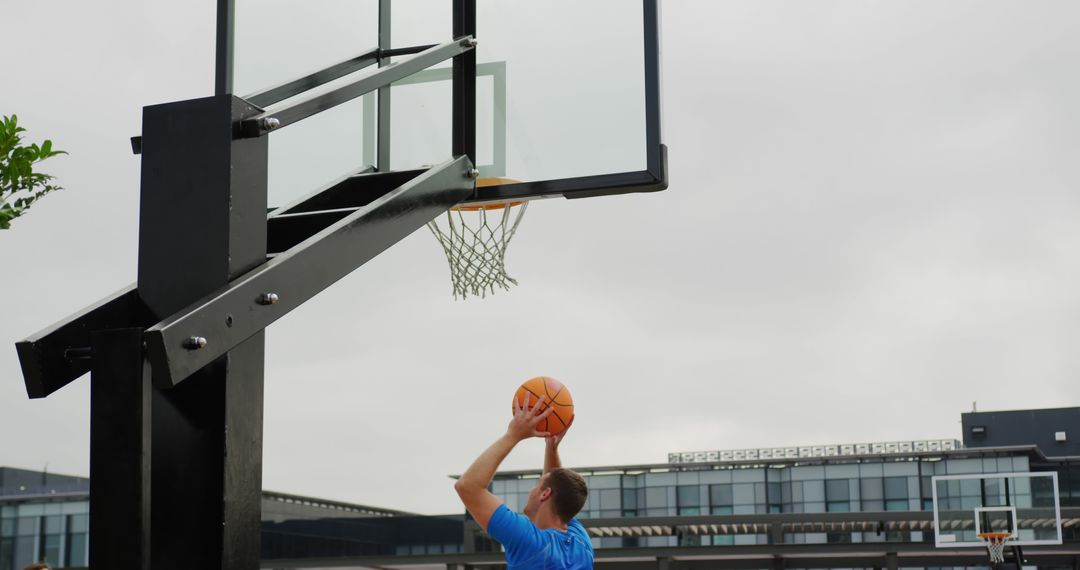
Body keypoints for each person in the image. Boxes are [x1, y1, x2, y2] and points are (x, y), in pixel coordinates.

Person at [455, 393, 593, 569]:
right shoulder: (581, 543)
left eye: (537, 484)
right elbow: (557, 484)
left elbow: (467, 486)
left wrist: (513, 434)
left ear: (545, 494)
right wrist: (551, 447)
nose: (532, 490)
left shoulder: (529, 541)